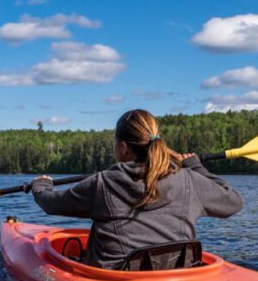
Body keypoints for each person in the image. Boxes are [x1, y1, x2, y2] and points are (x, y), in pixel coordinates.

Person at [29, 109, 243, 270]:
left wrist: (41, 186)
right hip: (177, 275)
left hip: (116, 279)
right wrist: (195, 166)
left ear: (122, 147)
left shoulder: (103, 183)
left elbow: (50, 203)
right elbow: (233, 202)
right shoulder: (190, 179)